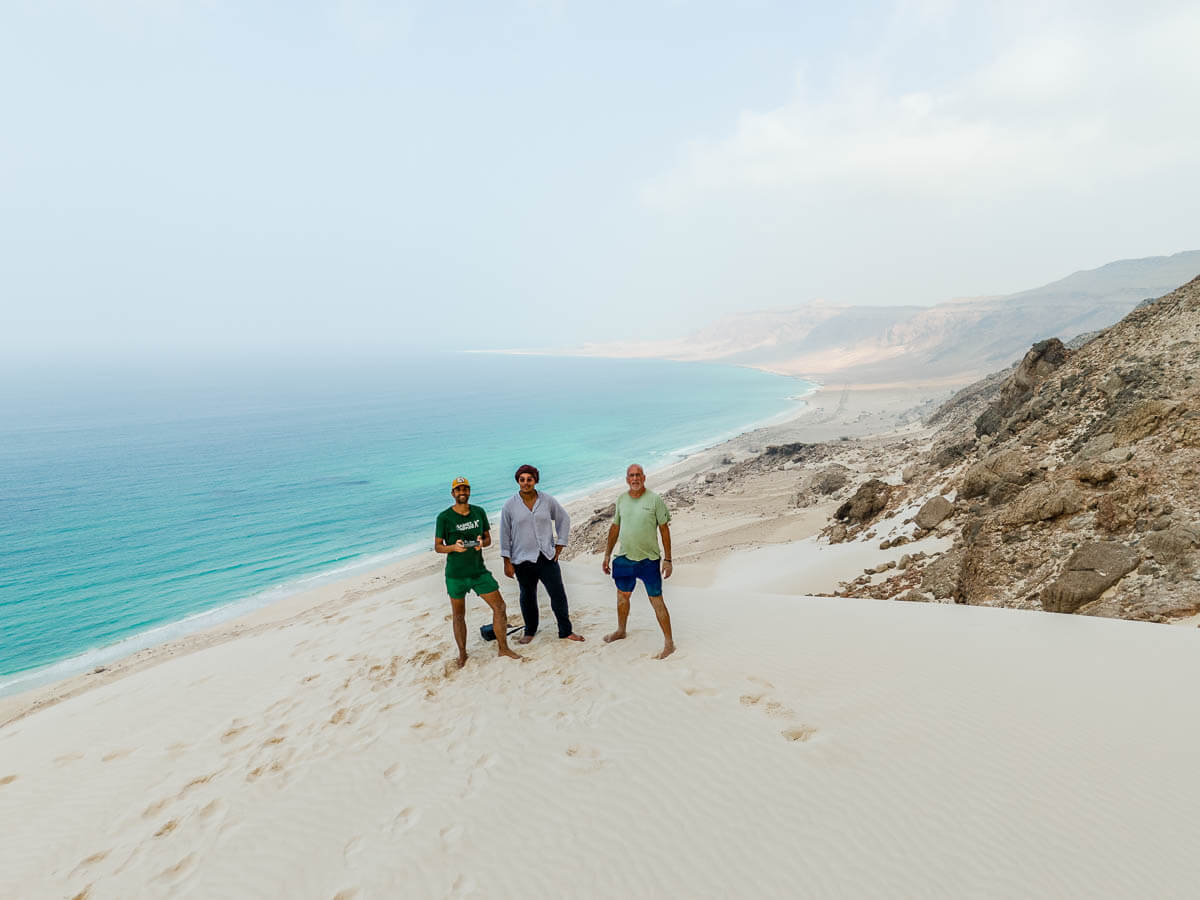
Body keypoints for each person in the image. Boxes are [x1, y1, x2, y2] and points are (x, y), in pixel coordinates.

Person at [434, 476, 520, 667]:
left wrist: (482, 543)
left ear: (469, 491)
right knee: (458, 616)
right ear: (453, 493)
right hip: (456, 575)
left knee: (500, 607)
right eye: (458, 490)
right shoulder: (444, 517)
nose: (462, 493)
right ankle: (463, 654)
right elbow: (438, 547)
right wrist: (453, 548)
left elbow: (488, 539)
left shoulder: (479, 512)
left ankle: (503, 648)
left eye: (465, 489)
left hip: (479, 571)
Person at [499, 464, 584, 644]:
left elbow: (564, 518)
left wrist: (560, 544)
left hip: (547, 557)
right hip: (521, 559)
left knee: (558, 595)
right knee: (527, 597)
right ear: (518, 481)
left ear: (535, 480)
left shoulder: (547, 500)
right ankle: (529, 631)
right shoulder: (509, 505)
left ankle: (566, 631)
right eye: (522, 480)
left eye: (529, 479)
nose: (526, 483)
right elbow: (504, 534)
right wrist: (507, 561)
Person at [601, 463, 675, 659]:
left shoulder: (655, 500)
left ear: (644, 477)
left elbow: (664, 530)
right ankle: (621, 630)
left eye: (638, 475)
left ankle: (669, 643)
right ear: (627, 479)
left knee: (656, 600)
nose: (635, 479)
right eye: (631, 476)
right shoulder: (621, 500)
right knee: (622, 597)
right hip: (625, 559)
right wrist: (607, 554)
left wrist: (667, 559)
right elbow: (615, 527)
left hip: (649, 561)